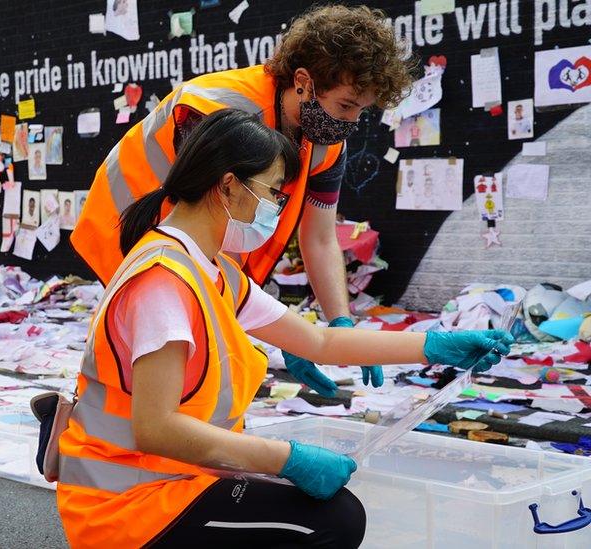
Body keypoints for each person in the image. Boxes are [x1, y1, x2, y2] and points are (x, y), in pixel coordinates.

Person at [56, 110, 513, 548]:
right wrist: (286, 459)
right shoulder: (164, 282)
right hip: (126, 506)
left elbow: (320, 341)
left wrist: (436, 346)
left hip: (174, 475)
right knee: (333, 521)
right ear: (229, 186)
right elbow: (156, 429)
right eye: (274, 191)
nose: (278, 207)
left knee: (325, 510)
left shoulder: (209, 268)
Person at [71, 4, 416, 396]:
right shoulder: (220, 108)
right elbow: (207, 218)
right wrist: (291, 334)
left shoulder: (325, 144)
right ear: (303, 82)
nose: (351, 123)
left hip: (194, 244)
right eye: (346, 106)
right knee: (167, 367)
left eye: (362, 111)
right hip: (127, 227)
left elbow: (320, 237)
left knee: (193, 365)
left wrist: (340, 323)